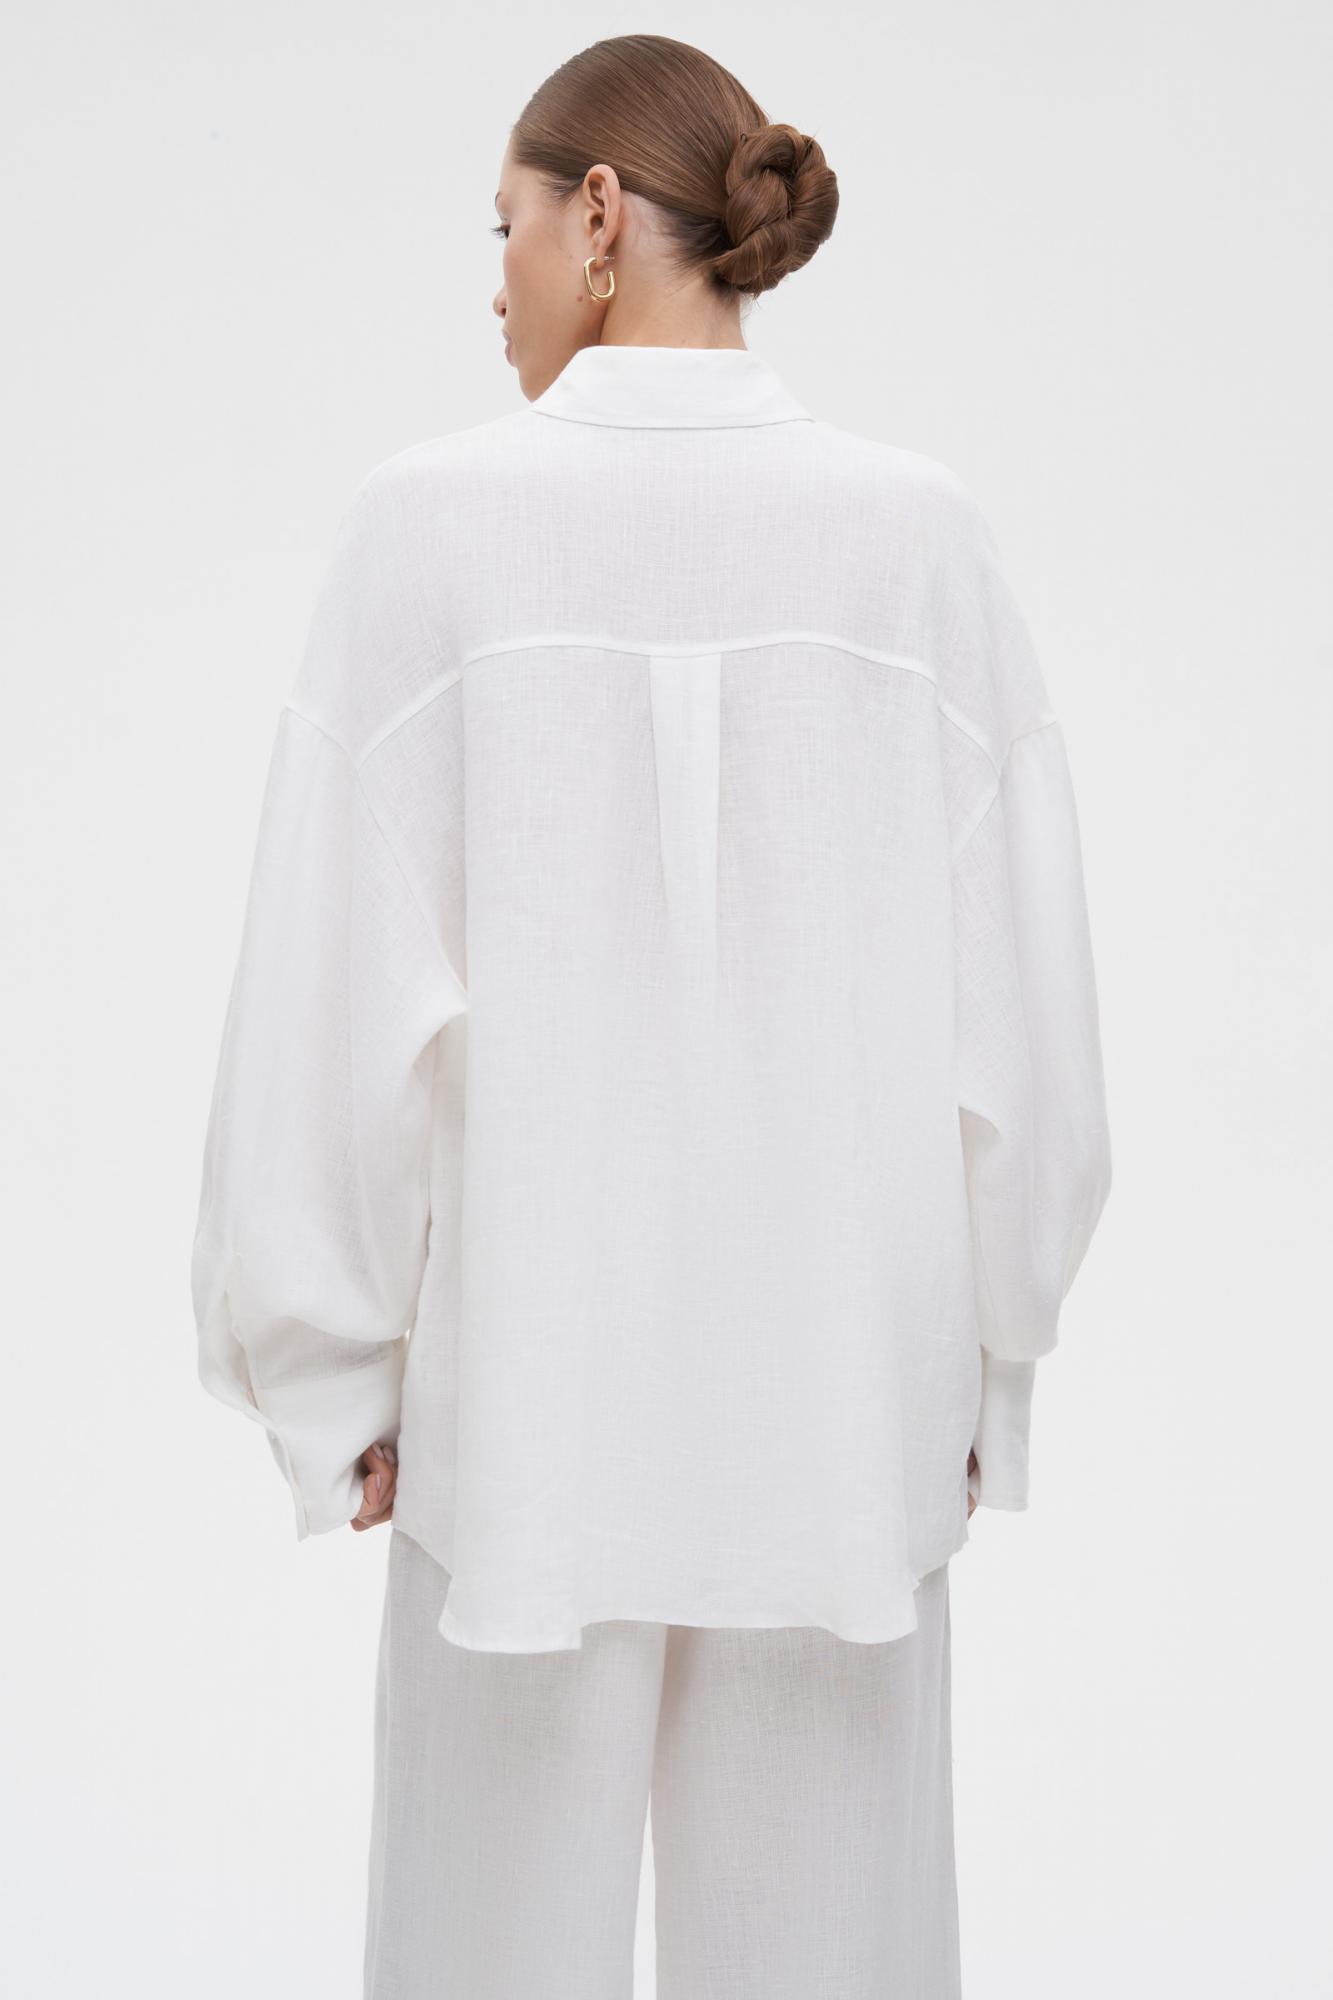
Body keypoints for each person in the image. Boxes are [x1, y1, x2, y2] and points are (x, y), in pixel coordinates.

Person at [190, 32, 1112, 2000]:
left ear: (599, 214)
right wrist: (988, 1357)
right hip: (838, 1427)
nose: (493, 283)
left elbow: (323, 998)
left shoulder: (425, 531)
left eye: (505, 228)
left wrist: (331, 1381)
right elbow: (1030, 1022)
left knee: (479, 1955)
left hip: (524, 1423)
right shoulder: (918, 540)